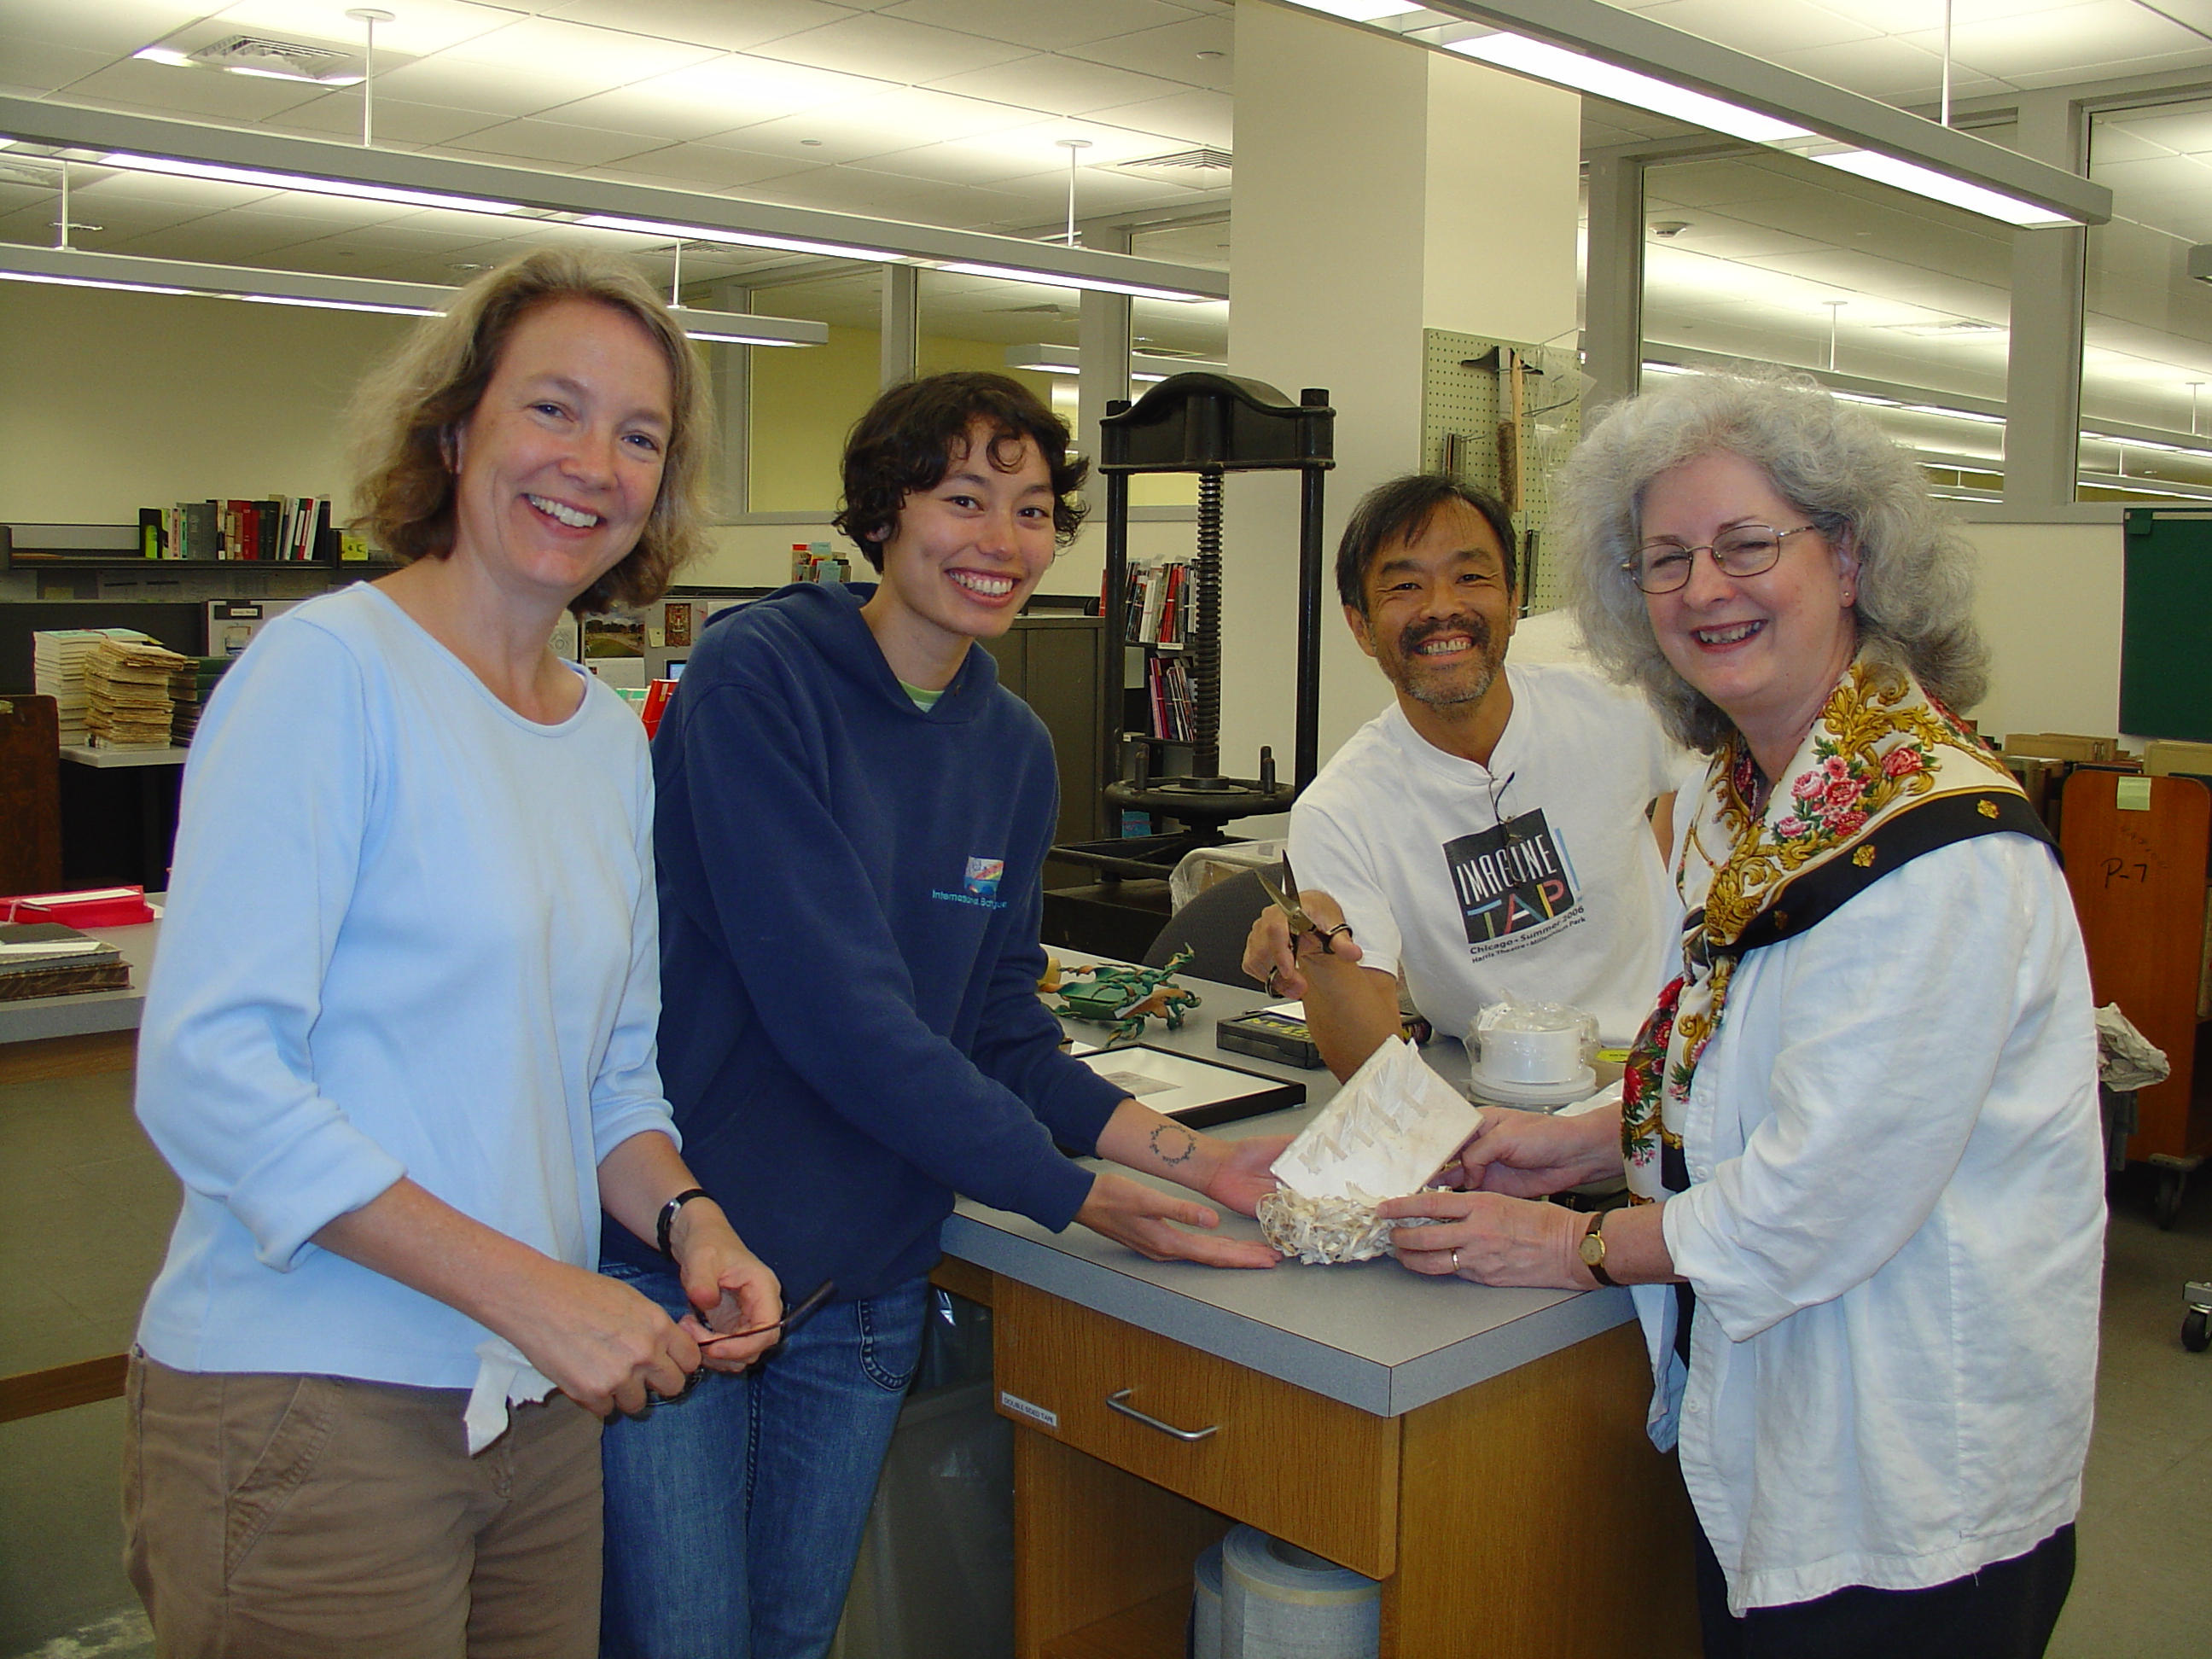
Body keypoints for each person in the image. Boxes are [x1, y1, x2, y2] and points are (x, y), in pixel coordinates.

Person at [1378, 374, 2104, 1657]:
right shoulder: (1738, 798)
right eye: (1666, 559)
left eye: (1748, 545)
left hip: (1909, 1485)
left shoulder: (1936, 848)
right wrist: (1588, 1139)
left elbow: (1819, 1198)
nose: (1705, 588)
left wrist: (1568, 1244)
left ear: (1852, 558)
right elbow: (1730, 1059)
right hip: (1769, 1434)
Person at [125, 249, 782, 1658]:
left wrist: (690, 1221)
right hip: (312, 1398)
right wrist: (535, 1290)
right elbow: (208, 1073)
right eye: (552, 408)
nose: (592, 464)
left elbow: (608, 1078)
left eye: (640, 435)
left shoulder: (605, 738)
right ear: (453, 430)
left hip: (533, 1408)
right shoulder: (327, 673)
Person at [598, 370, 1285, 1659]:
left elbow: (998, 1025)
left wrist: (1194, 1162)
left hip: (864, 1280)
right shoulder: (759, 677)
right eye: (963, 499)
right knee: (678, 1640)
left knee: (792, 1636)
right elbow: (838, 1010)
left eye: (1031, 512)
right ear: (883, 513)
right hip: (685, 1261)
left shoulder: (1013, 748)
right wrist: (1068, 1191)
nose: (1001, 541)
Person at [1241, 474, 1687, 1078]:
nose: (1442, 606)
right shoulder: (1340, 810)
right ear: (1361, 626)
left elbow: (1725, 787)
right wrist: (1319, 956)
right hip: (1495, 1086)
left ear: (1514, 601)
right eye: (1405, 586)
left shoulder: (1619, 708)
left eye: (1471, 577)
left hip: (1665, 1063)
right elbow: (1369, 1067)